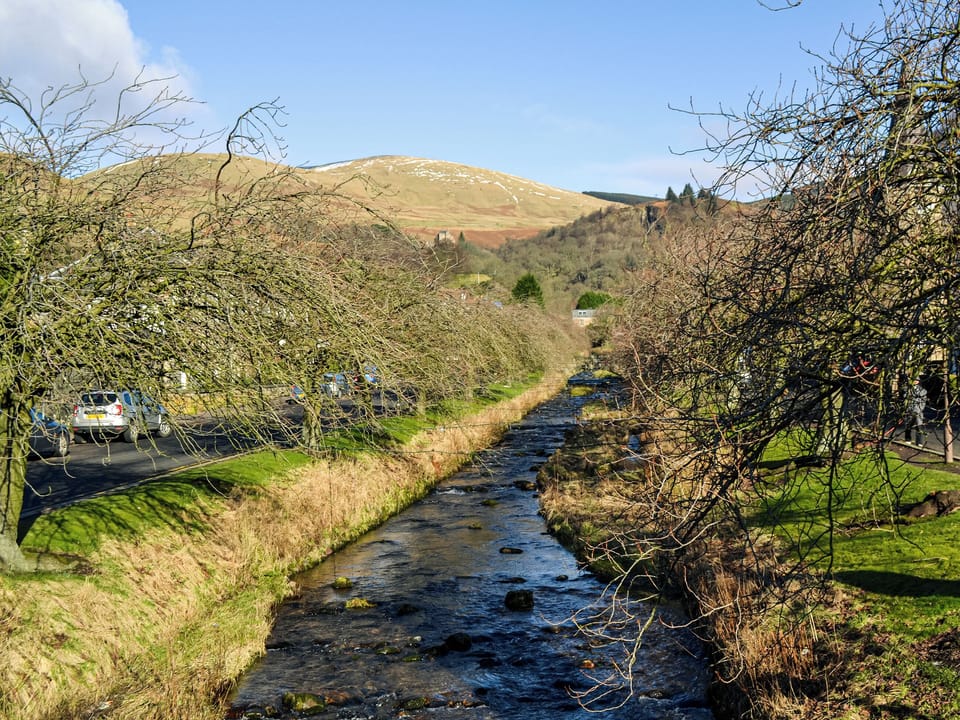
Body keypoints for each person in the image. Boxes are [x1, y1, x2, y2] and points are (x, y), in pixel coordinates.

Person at [904, 377, 928, 447]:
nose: (915, 381)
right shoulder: (908, 389)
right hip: (909, 410)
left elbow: (923, 402)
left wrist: (919, 410)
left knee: (919, 427)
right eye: (914, 380)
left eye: (916, 380)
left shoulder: (923, 391)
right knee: (908, 425)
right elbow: (905, 399)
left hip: (918, 411)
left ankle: (919, 442)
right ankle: (908, 439)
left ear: (918, 381)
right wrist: (907, 409)